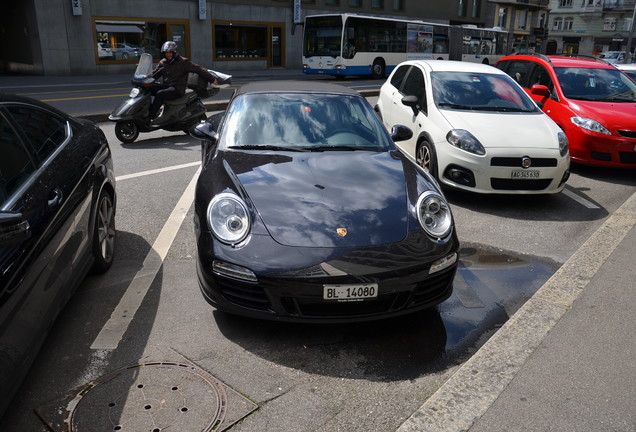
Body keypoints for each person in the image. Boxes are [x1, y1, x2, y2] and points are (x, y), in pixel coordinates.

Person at [148, 41, 218, 122]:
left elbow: (198, 69)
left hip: (177, 89)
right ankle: (145, 112)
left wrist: (212, 79)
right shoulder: (163, 62)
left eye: (170, 52)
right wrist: (144, 78)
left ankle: (151, 117)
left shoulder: (183, 62)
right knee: (148, 88)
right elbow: (155, 74)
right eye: (166, 53)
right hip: (167, 86)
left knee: (160, 94)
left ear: (174, 52)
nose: (168, 55)